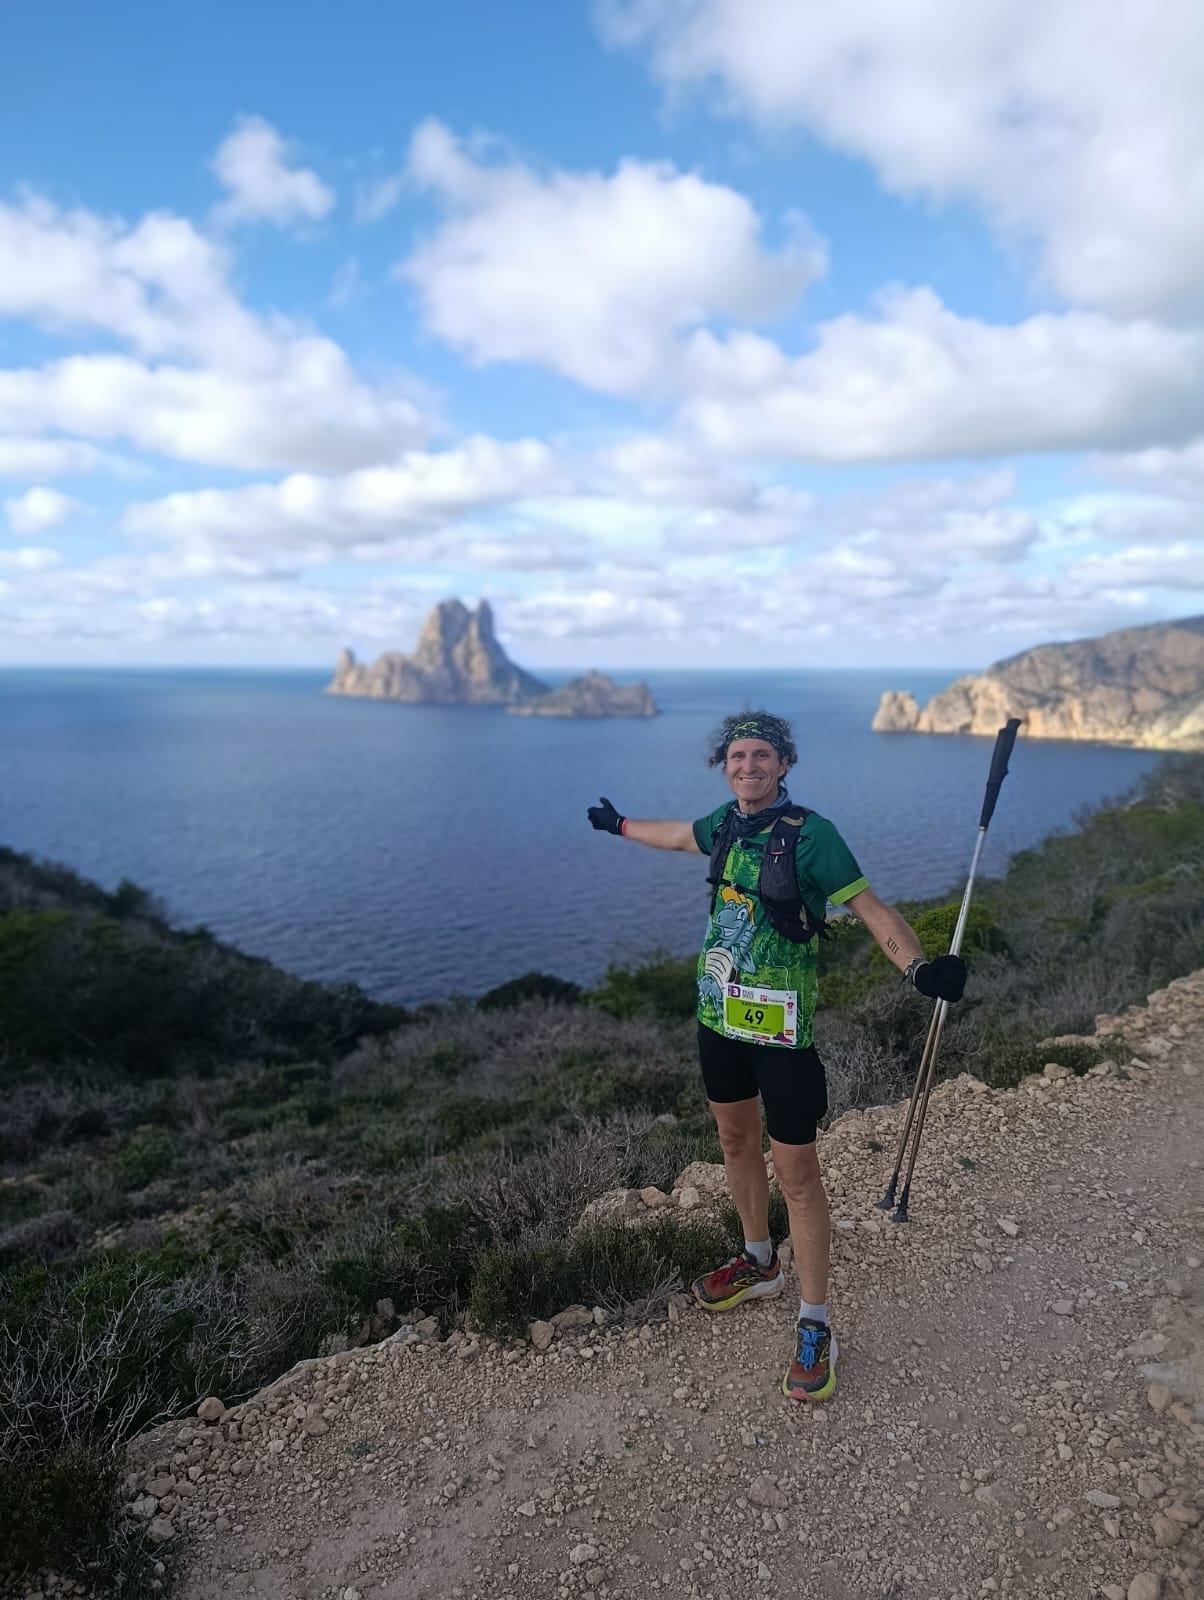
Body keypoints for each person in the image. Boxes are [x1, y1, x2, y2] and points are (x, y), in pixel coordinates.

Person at [586, 710, 966, 1402]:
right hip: (719, 1019)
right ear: (724, 766)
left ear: (784, 764)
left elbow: (872, 911)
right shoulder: (724, 825)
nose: (748, 766)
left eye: (762, 755)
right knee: (735, 1142)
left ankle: (815, 1321)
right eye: (737, 756)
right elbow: (676, 836)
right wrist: (620, 825)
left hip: (783, 1034)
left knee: (797, 1174)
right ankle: (759, 1261)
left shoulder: (813, 836)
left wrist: (917, 969)